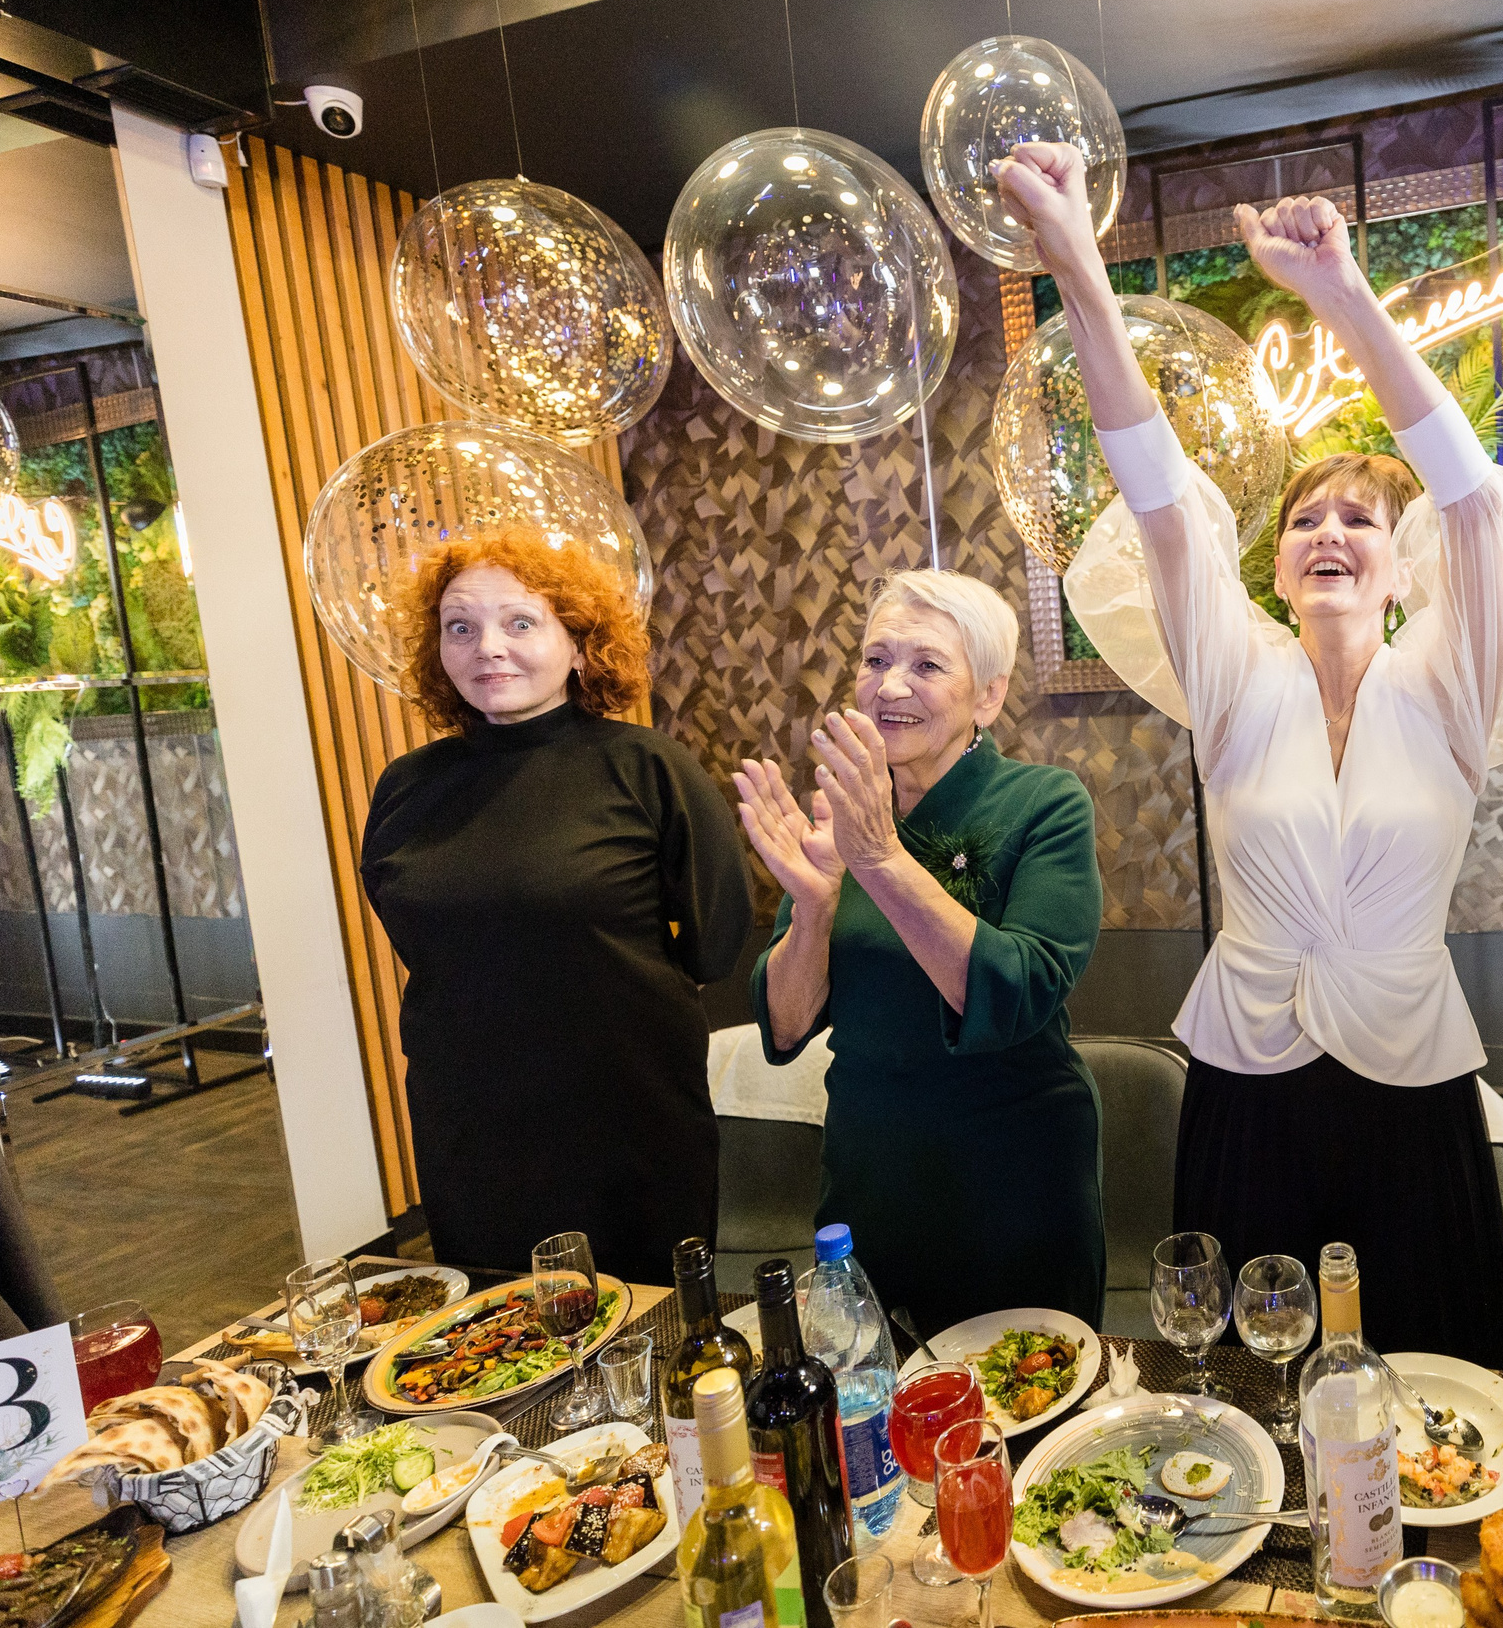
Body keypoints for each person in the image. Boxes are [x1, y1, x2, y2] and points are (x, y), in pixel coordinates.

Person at [1000, 142, 1503, 1370]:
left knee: (1440, 1372)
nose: (1326, 531)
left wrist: (1345, 299)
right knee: (1239, 1369)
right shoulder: (1232, 675)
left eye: (1356, 518)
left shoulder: (1452, 677)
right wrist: (1079, 274)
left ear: (1398, 559)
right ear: (1272, 567)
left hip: (1411, 1071)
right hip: (1244, 1071)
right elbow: (1159, 497)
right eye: (1304, 519)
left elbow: (1474, 503)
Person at [362, 530, 753, 1285]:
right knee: (497, 1342)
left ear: (579, 644)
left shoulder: (647, 766)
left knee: (651, 1329)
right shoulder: (407, 786)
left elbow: (716, 939)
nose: (488, 647)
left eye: (520, 622)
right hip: (469, 1121)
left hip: (628, 1113)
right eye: (461, 626)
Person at [738, 569, 1104, 1336]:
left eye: (927, 665)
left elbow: (1019, 990)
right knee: (874, 1419)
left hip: (1012, 1183)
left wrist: (878, 859)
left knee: (1020, 1421)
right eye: (875, 660)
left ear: (988, 696)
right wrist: (813, 906)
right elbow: (784, 1025)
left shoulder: (1045, 802)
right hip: (869, 1179)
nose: (889, 685)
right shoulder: (842, 810)